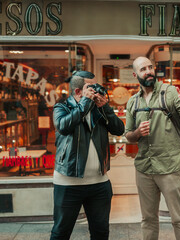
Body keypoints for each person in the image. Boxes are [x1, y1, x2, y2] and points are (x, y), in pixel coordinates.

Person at [125, 57, 180, 240]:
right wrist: (137, 132)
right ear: (136, 75)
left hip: (170, 167)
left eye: (150, 67)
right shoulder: (133, 103)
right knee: (148, 219)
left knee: (178, 219)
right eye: (143, 69)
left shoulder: (171, 93)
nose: (149, 71)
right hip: (144, 168)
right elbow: (128, 136)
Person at [50, 71, 124, 240]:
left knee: (101, 232)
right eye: (91, 87)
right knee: (61, 232)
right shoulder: (61, 107)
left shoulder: (98, 109)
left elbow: (119, 129)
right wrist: (84, 104)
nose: (96, 90)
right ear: (78, 91)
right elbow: (63, 126)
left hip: (99, 183)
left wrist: (104, 107)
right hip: (68, 182)